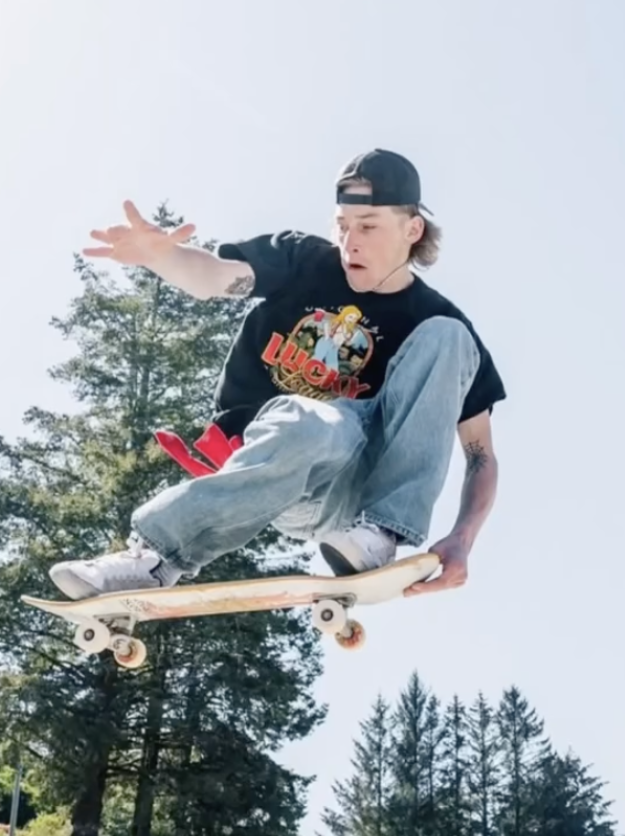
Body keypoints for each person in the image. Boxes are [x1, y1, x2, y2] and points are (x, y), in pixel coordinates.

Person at [49, 149, 504, 602]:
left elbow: (480, 455)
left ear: (412, 229)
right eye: (342, 226)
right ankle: (152, 557)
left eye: (368, 227)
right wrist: (161, 258)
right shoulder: (302, 260)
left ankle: (380, 532)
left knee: (447, 336)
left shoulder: (436, 322)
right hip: (273, 463)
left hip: (354, 492)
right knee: (313, 421)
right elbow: (215, 278)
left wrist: (462, 539)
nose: (351, 244)